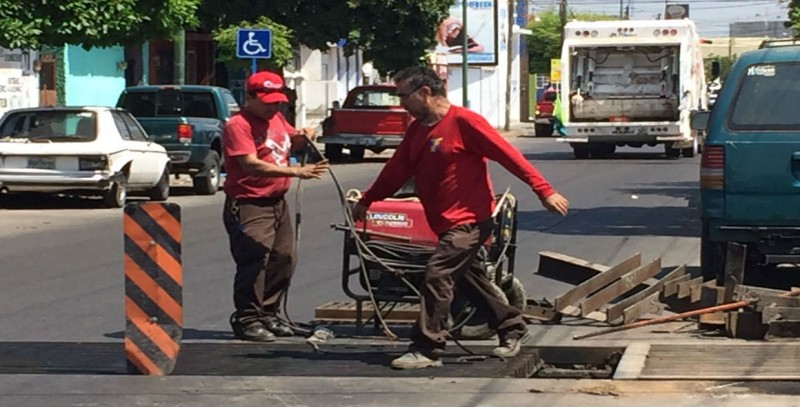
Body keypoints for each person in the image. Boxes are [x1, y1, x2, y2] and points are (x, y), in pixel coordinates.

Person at [352, 66, 569, 369]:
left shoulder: (465, 122)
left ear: (425, 93)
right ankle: (512, 327)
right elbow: (397, 170)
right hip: (443, 222)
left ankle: (427, 348)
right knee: (471, 282)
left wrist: (544, 190)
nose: (401, 103)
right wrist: (368, 199)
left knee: (437, 274)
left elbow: (509, 155)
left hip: (469, 220)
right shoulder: (418, 129)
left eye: (403, 96)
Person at [222, 70, 329, 342]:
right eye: (268, 102)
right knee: (256, 258)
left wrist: (304, 136)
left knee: (284, 257)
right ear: (249, 97)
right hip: (250, 203)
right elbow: (250, 164)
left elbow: (290, 140)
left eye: (278, 102)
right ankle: (247, 318)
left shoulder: (277, 118)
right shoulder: (238, 125)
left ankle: (269, 313)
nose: (274, 107)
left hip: (276, 202)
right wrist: (296, 172)